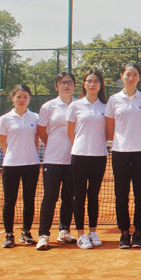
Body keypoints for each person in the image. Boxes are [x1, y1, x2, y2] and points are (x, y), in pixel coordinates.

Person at [105, 63, 141, 249]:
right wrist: (120, 141)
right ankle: (124, 232)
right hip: (120, 153)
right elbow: (109, 126)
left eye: (135, 75)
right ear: (122, 76)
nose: (131, 78)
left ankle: (138, 231)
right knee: (121, 195)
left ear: (139, 77)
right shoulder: (114, 100)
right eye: (128, 74)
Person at [66, 70, 109, 250]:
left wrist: (96, 144)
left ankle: (93, 231)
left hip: (99, 156)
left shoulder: (106, 106)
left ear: (101, 85)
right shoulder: (75, 106)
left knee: (93, 195)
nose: (92, 84)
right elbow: (70, 132)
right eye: (89, 81)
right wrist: (81, 146)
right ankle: (81, 235)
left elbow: (108, 132)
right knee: (79, 195)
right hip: (79, 156)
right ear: (84, 84)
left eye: (96, 81)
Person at [36, 72, 77, 250]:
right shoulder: (48, 106)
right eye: (62, 83)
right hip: (52, 160)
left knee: (69, 198)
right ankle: (43, 235)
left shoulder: (79, 105)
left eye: (69, 82)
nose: (66, 85)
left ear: (74, 86)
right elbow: (41, 130)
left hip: (74, 159)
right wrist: (52, 145)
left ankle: (64, 230)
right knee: (50, 197)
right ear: (57, 86)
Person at [0, 84, 40, 248]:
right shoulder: (5, 119)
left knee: (29, 200)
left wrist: (30, 155)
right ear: (13, 98)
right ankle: (9, 234)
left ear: (29, 99)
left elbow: (36, 140)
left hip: (31, 165)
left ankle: (26, 232)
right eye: (19, 97)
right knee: (9, 201)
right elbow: (3, 142)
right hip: (11, 165)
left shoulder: (35, 117)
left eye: (25, 97)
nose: (22, 100)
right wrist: (13, 155)